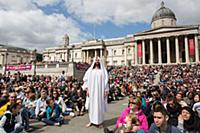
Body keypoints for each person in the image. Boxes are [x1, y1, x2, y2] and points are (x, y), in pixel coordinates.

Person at [83, 57, 109, 128]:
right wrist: (87, 89)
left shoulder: (103, 71)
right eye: (96, 60)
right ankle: (91, 121)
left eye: (98, 60)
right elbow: (86, 80)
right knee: (92, 106)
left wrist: (106, 90)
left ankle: (100, 122)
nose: (97, 61)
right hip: (92, 91)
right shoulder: (90, 71)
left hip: (100, 91)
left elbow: (106, 81)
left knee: (99, 106)